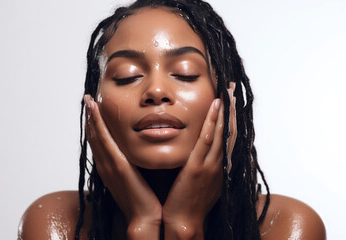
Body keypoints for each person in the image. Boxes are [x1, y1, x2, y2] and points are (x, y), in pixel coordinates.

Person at [18, 0, 326, 239]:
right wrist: (143, 226)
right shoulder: (55, 225)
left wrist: (185, 226)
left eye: (185, 73)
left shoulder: (285, 228)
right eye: (127, 76)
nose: (155, 91)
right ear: (92, 104)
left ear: (227, 100)